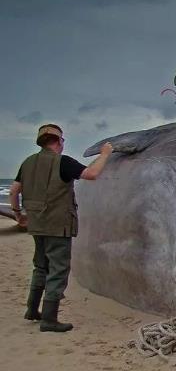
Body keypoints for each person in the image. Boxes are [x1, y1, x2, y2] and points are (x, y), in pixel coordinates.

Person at [9, 124, 113, 333]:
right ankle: (49, 319)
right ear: (59, 141)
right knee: (58, 270)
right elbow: (91, 174)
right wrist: (105, 154)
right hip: (58, 226)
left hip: (37, 225)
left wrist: (18, 213)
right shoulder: (62, 162)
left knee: (40, 266)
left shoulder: (28, 162)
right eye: (62, 140)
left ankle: (32, 310)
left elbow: (14, 190)